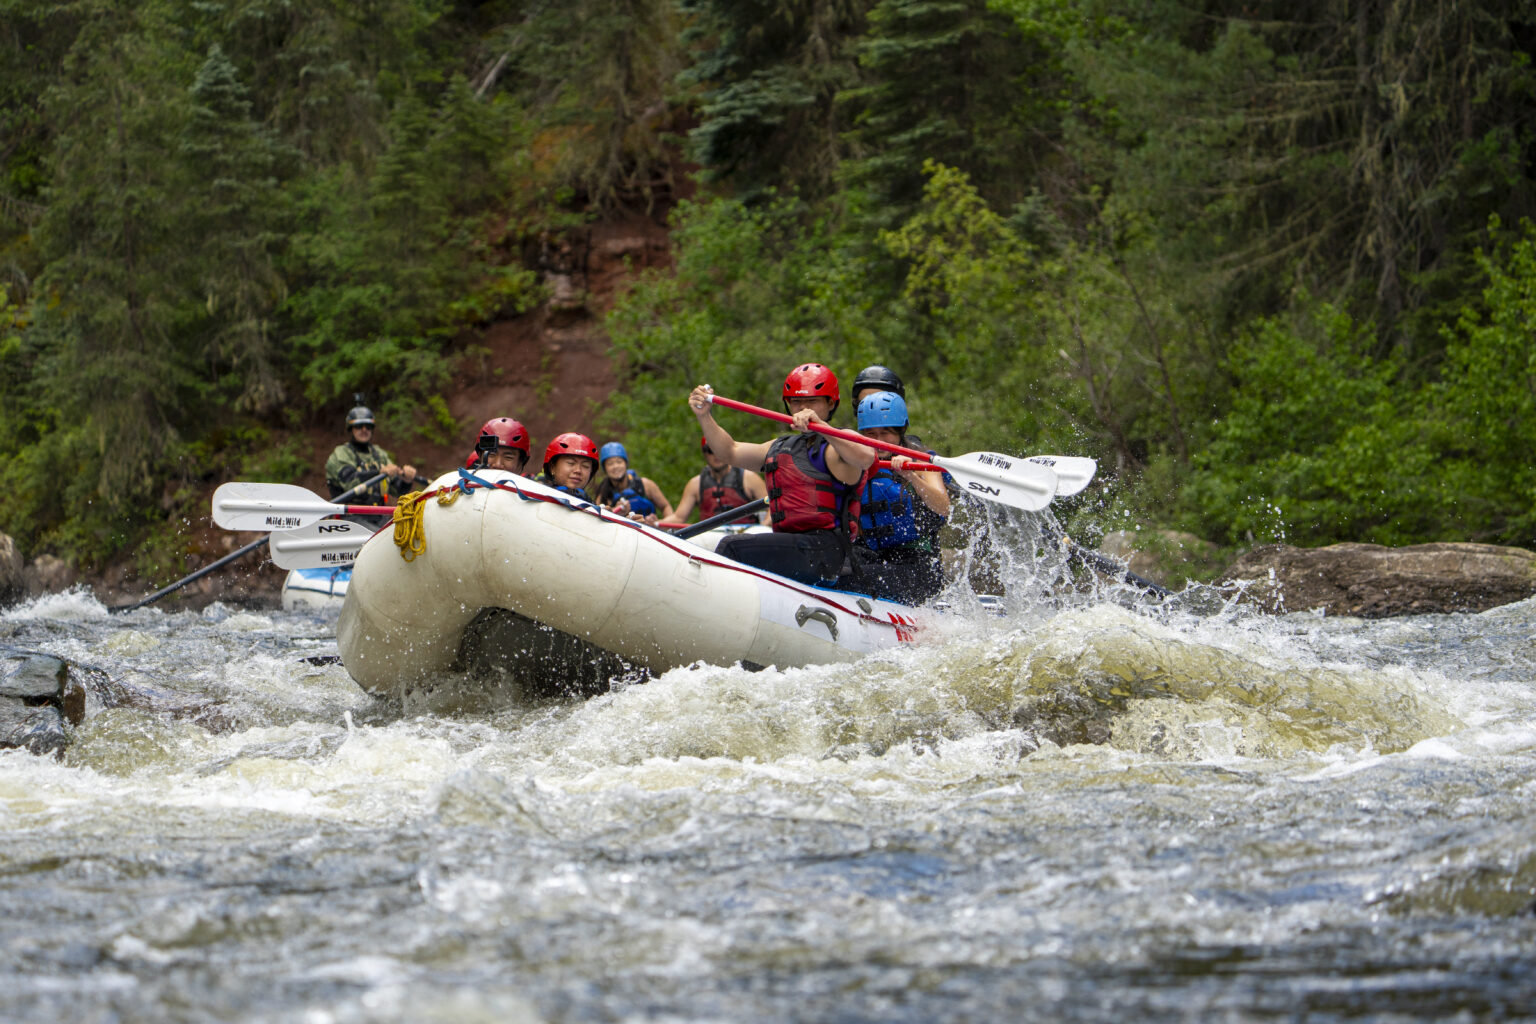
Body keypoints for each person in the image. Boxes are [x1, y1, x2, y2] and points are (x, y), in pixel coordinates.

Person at [687, 363, 875, 587]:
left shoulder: (838, 444)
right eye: (796, 402)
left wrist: (821, 425)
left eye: (812, 401)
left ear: (830, 403)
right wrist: (704, 416)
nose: (803, 407)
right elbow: (730, 451)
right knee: (730, 547)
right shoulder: (779, 446)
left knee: (731, 547)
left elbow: (866, 457)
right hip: (792, 544)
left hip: (826, 550)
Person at [851, 392, 950, 604]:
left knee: (854, 579)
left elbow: (942, 507)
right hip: (875, 557)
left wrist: (911, 476)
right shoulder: (857, 464)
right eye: (871, 434)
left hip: (918, 565)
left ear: (900, 431)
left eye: (885, 433)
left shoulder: (920, 460)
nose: (878, 441)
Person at [324, 402, 430, 504]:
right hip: (349, 515)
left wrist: (406, 481)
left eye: (368, 426)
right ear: (351, 429)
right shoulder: (341, 453)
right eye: (359, 426)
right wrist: (379, 472)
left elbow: (397, 490)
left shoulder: (380, 454)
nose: (364, 429)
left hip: (378, 515)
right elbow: (349, 482)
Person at [659, 438, 769, 526]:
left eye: (719, 450)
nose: (716, 455)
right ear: (705, 454)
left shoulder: (749, 478)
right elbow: (679, 517)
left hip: (745, 535)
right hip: (710, 537)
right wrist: (655, 524)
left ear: (727, 450)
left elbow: (773, 507)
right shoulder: (695, 484)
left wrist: (764, 527)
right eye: (711, 451)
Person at [591, 442, 674, 521]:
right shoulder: (603, 494)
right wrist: (615, 512)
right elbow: (598, 520)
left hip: (650, 531)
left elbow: (665, 506)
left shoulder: (645, 485)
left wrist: (663, 525)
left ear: (626, 464)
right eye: (610, 464)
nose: (615, 466)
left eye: (619, 462)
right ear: (605, 469)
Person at [537, 432, 601, 498]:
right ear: (552, 467)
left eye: (585, 466)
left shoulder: (590, 506)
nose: (578, 470)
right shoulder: (533, 495)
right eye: (571, 463)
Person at [467, 417, 531, 473]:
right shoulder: (463, 485)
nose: (498, 464)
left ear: (520, 462)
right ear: (480, 456)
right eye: (491, 454)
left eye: (508, 457)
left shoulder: (531, 486)